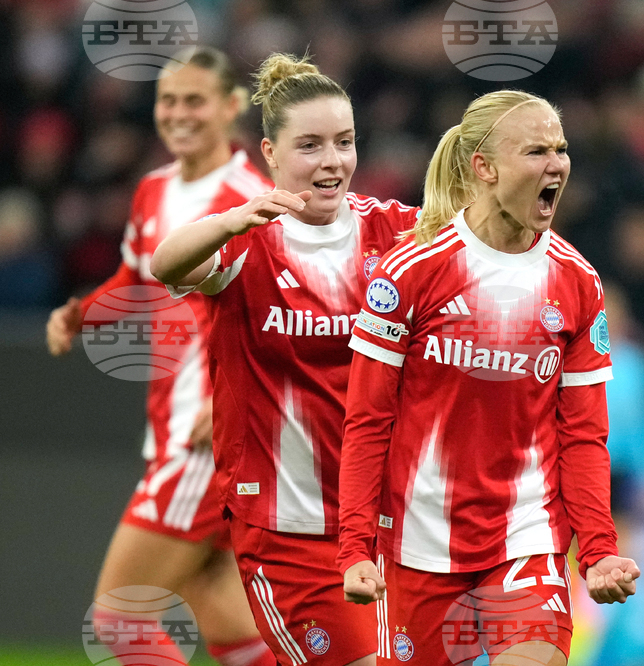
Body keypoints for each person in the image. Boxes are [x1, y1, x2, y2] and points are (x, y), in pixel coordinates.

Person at [337, 90, 640, 666]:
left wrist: (597, 550)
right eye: (535, 151)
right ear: (484, 167)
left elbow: (582, 436)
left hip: (527, 537)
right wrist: (355, 546)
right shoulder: (410, 271)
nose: (556, 165)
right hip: (416, 543)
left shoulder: (576, 282)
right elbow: (368, 421)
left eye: (561, 149)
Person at [150, 53, 419, 666]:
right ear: (269, 153)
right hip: (286, 525)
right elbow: (167, 264)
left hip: (386, 522)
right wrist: (232, 219)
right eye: (311, 145)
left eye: (345, 142)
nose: (333, 161)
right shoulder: (246, 240)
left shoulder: (394, 232)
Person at [45, 47, 277, 666]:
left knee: (120, 620)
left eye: (195, 100)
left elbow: (276, 317)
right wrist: (84, 309)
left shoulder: (248, 199)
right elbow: (134, 274)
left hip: (207, 435)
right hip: (174, 427)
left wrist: (232, 397)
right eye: (168, 100)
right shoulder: (153, 190)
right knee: (225, 615)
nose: (179, 113)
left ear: (231, 107)